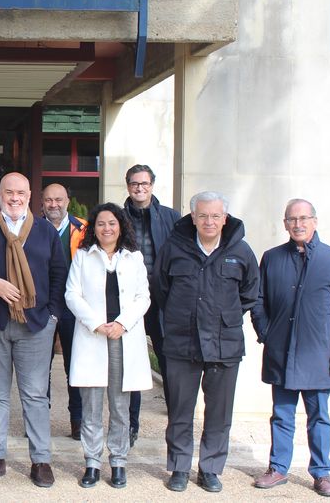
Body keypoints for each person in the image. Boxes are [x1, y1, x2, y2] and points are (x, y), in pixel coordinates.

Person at [0, 172, 67, 488]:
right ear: (0, 194)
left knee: (35, 395)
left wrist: (53, 316)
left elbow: (59, 275)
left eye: (21, 192)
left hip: (36, 325)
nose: (15, 197)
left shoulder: (45, 231)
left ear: (29, 194)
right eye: (9, 192)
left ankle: (41, 461)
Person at [155, 191, 259, 493]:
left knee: (219, 412)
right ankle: (179, 466)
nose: (209, 221)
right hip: (181, 342)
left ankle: (211, 468)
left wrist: (223, 316)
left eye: (215, 216)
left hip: (224, 344)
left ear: (224, 218)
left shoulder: (241, 251)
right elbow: (161, 288)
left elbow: (250, 293)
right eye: (203, 216)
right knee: (180, 411)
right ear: (193, 218)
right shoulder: (174, 248)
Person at [250, 199, 330, 498]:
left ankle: (322, 473)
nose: (298, 224)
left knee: (319, 417)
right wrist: (266, 334)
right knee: (281, 415)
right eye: (292, 219)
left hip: (318, 354)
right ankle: (278, 468)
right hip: (280, 350)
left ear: (315, 221)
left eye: (303, 218)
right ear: (285, 224)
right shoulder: (271, 258)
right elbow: (259, 302)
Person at [65, 203, 152, 489]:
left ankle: (118, 461)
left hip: (122, 338)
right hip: (94, 337)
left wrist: (122, 323)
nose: (107, 228)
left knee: (119, 405)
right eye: (101, 223)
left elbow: (143, 297)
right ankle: (91, 462)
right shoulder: (82, 256)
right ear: (94, 227)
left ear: (121, 226)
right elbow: (72, 294)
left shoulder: (134, 258)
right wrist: (96, 323)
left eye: (112, 223)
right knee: (90, 407)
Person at [123, 164, 180, 447]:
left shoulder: (171, 218)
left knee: (167, 357)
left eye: (144, 183)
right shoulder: (118, 217)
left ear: (153, 185)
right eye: (135, 184)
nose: (140, 188)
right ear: (128, 186)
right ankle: (130, 423)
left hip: (162, 297)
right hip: (128, 299)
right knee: (131, 361)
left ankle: (177, 421)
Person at [41, 183, 86, 441]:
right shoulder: (33, 228)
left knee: (75, 366)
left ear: (67, 200)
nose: (54, 204)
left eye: (58, 199)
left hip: (73, 309)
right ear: (42, 202)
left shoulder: (84, 229)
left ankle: (77, 420)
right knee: (39, 367)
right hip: (43, 307)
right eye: (48, 200)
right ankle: (39, 418)